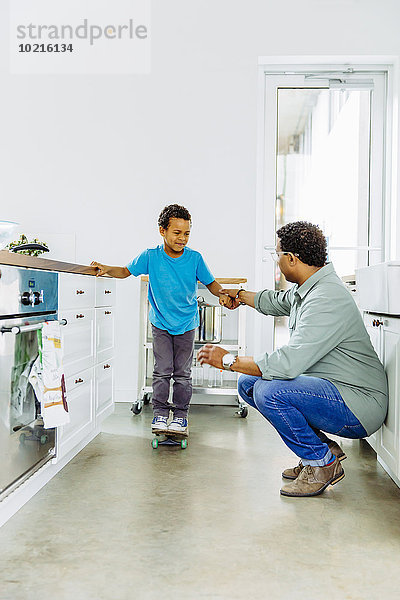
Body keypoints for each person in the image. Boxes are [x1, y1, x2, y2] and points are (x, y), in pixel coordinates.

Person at [198, 221, 388, 498]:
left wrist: (228, 360)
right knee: (249, 383)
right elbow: (276, 301)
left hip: (358, 405)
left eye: (277, 254)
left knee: (269, 389)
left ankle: (322, 464)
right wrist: (238, 295)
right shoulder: (311, 288)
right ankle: (325, 450)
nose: (277, 261)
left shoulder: (326, 299)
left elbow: (287, 364)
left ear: (291, 259)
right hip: (337, 391)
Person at [91, 204, 230, 437]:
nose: (182, 238)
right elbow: (125, 271)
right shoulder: (151, 256)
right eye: (177, 233)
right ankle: (161, 414)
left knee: (183, 373)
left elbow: (211, 284)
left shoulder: (195, 258)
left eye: (186, 233)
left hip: (187, 323)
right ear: (162, 231)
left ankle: (181, 417)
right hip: (161, 324)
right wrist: (106, 268)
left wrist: (224, 294)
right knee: (162, 371)